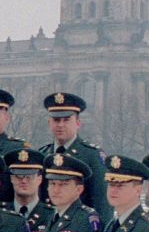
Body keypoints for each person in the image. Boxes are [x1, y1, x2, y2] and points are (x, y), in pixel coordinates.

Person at [37, 91, 110, 224]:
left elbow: (102, 202)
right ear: (49, 122)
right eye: (56, 120)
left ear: (78, 123)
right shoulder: (42, 155)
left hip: (81, 230)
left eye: (66, 120)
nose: (60, 125)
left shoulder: (91, 155)